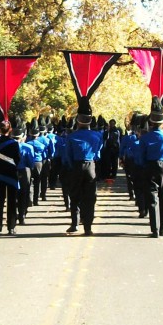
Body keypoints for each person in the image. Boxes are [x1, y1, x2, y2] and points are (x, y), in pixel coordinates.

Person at [140, 96, 163, 237]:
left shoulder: (144, 138)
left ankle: (155, 228)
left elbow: (140, 156)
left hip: (149, 167)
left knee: (152, 198)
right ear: (162, 122)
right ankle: (162, 227)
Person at [65, 98, 104, 235]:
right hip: (90, 166)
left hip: (76, 166)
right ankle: (88, 227)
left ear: (78, 120)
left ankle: (75, 223)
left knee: (75, 195)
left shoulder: (71, 136)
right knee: (90, 197)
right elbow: (98, 154)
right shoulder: (97, 136)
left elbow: (67, 156)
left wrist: (72, 167)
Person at [0, 117, 22, 236]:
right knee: (12, 201)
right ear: (11, 129)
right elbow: (18, 159)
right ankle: (11, 227)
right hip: (11, 174)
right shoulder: (14, 143)